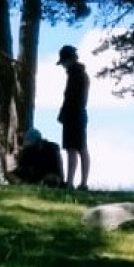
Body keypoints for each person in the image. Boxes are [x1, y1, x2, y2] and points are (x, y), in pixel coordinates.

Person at [57, 44, 90, 189]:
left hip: (74, 114)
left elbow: (72, 98)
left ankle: (77, 182)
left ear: (70, 59)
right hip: (75, 114)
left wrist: (65, 113)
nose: (63, 66)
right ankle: (75, 182)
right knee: (76, 148)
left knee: (77, 148)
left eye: (64, 62)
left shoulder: (77, 75)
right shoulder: (77, 74)